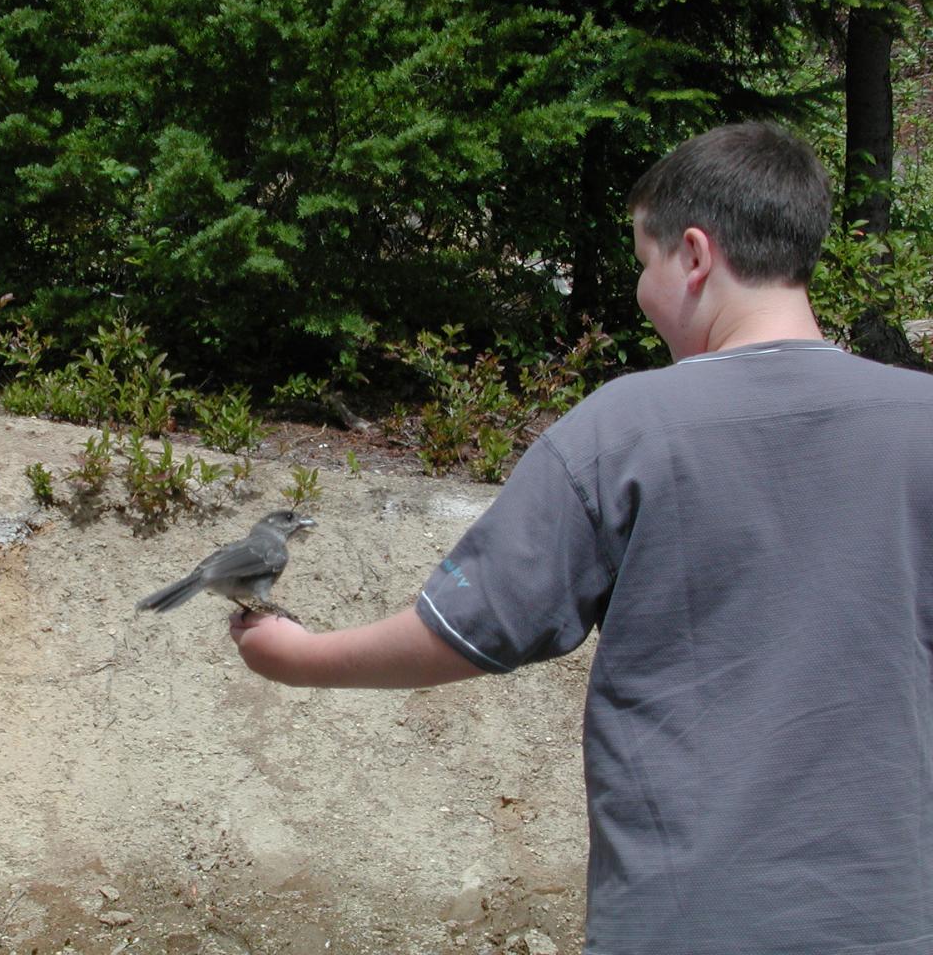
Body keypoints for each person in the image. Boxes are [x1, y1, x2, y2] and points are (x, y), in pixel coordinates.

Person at [229, 122, 933, 954]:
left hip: (687, 920)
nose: (642, 288)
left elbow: (466, 628)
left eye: (645, 261)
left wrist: (298, 657)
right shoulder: (920, 420)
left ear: (696, 256)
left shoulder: (625, 429)